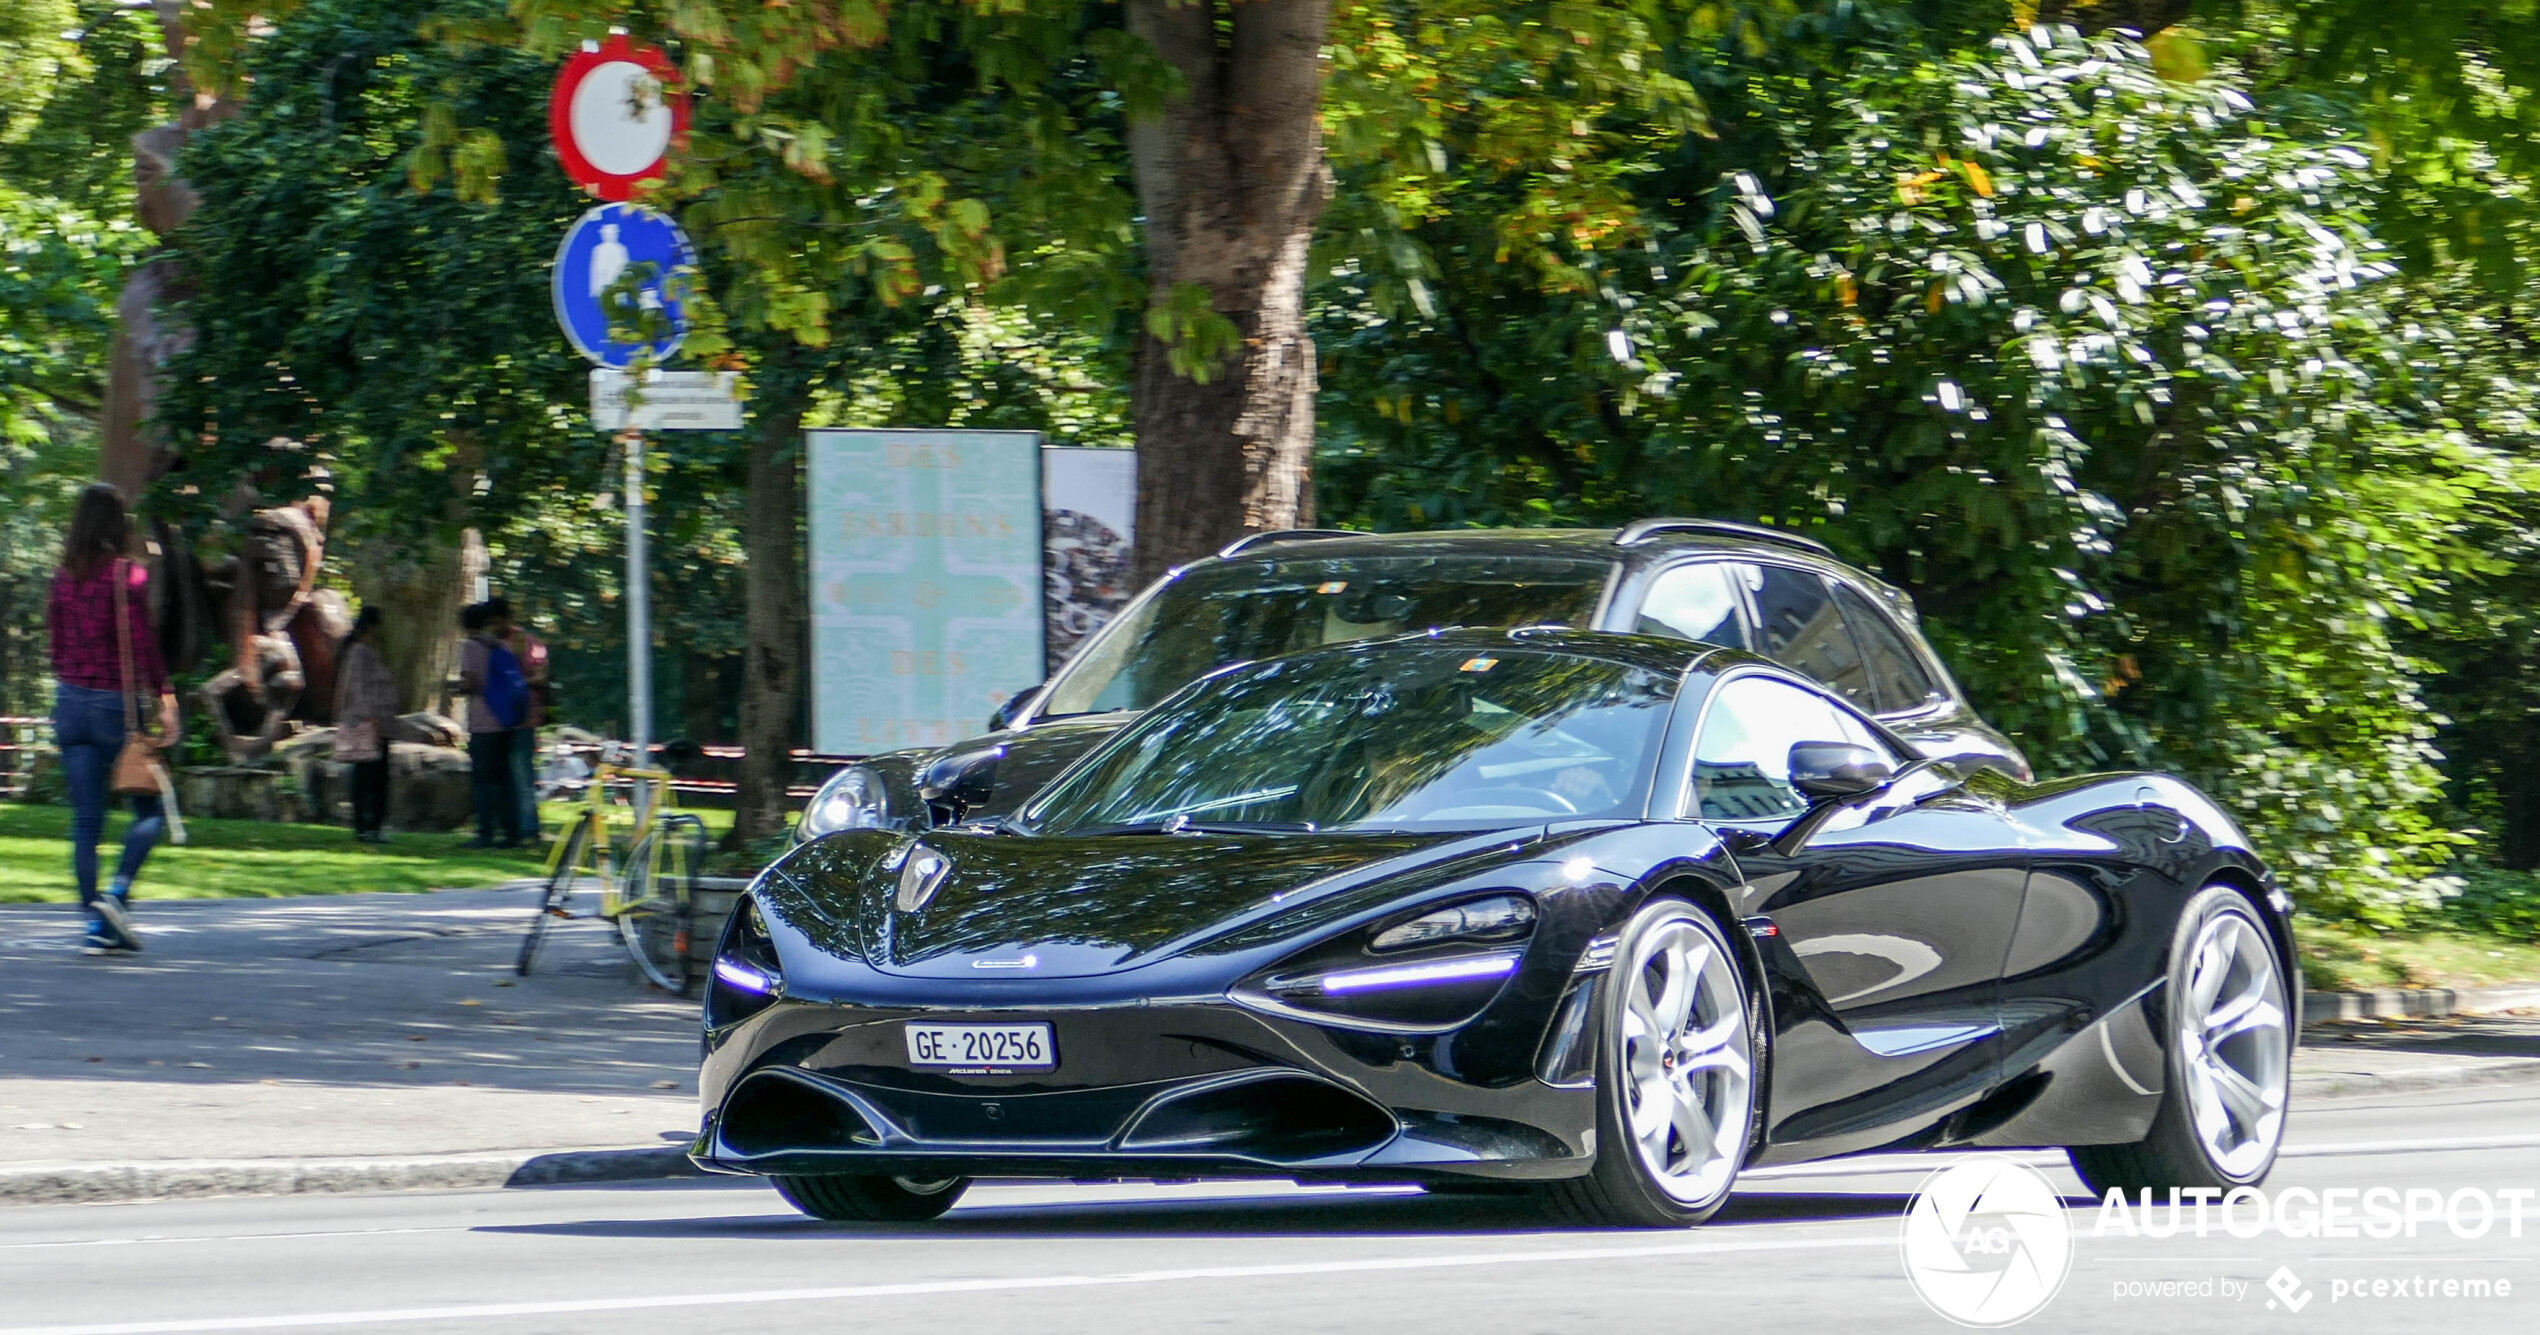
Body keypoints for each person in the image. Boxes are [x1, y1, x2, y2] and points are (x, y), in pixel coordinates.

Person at [46, 485, 176, 955]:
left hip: (69, 705)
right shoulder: (128, 577)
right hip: (112, 708)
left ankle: (95, 925)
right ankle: (116, 895)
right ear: (117, 524)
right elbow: (143, 647)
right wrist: (166, 697)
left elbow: (56, 648)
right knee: (149, 812)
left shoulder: (62, 578)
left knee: (86, 823)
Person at [454, 602, 524, 848]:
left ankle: (485, 834)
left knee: (483, 782)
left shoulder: (470, 646)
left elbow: (471, 683)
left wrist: (454, 687)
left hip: (483, 723)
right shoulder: (498, 645)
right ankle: (512, 833)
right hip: (505, 722)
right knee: (505, 781)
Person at [333, 606, 399, 844]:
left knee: (374, 778)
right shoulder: (360, 652)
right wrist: (370, 716)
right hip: (370, 726)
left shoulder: (366, 651)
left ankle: (371, 827)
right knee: (370, 779)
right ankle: (367, 828)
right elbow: (357, 686)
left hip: (376, 725)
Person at [485, 596, 549, 842]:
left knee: (522, 775)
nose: (492, 627)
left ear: (505, 619)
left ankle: (530, 829)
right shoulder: (490, 644)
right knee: (503, 777)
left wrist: (515, 684)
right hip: (497, 721)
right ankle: (509, 826)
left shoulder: (527, 643)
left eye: (495, 622)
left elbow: (541, 676)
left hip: (523, 719)